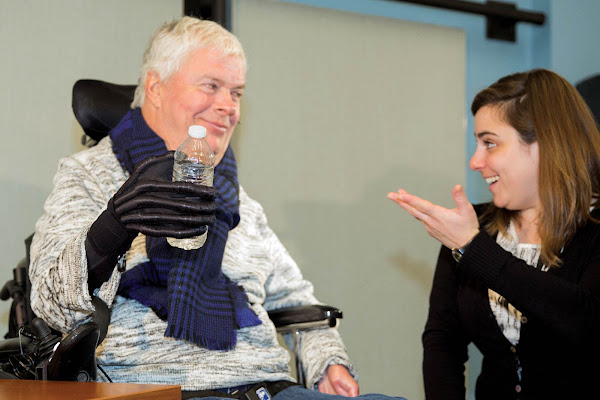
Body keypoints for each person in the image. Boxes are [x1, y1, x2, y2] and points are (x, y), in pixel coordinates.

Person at [29, 17, 404, 400]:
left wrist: (329, 363)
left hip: (269, 388)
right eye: (211, 86)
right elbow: (52, 304)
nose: (228, 107)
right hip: (161, 388)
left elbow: (297, 302)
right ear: (156, 88)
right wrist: (114, 225)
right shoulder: (88, 177)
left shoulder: (235, 198)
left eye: (237, 93)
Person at [387, 68, 600, 399]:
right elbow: (443, 341)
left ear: (546, 143)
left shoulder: (594, 231)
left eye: (490, 143)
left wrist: (474, 249)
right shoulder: (475, 224)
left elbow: (584, 323)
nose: (475, 161)